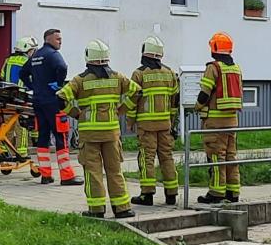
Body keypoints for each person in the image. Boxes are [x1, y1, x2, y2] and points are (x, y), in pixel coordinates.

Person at [57, 39, 140, 218]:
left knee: (93, 172)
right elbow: (137, 91)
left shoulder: (79, 80)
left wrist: (76, 114)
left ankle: (97, 209)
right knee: (115, 170)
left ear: (88, 57)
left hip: (90, 134)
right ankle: (122, 208)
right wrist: (121, 109)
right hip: (111, 133)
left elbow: (60, 98)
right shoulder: (118, 78)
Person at [20, 29, 83, 185]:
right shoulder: (53, 54)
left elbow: (22, 73)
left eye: (60, 39)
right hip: (53, 102)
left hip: (38, 101)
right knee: (61, 136)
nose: (60, 42)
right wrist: (59, 84)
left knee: (43, 137)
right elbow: (62, 67)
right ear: (48, 39)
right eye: (57, 39)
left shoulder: (36, 55)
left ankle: (46, 175)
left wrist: (33, 86)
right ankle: (67, 176)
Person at [130, 36, 180, 206]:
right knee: (167, 157)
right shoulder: (170, 73)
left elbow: (132, 99)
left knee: (147, 158)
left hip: (146, 125)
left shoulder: (139, 74)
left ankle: (147, 194)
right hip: (165, 124)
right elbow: (175, 101)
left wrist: (130, 120)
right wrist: (173, 122)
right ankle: (171, 194)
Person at [196, 32, 243, 204]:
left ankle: (216, 192)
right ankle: (233, 192)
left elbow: (204, 94)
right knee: (231, 156)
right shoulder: (236, 68)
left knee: (216, 156)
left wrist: (197, 107)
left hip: (215, 123)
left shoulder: (213, 68)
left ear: (214, 48)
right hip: (232, 121)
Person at [0, 36, 38, 156]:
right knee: (21, 128)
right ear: (27, 50)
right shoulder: (29, 62)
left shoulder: (8, 60)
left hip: (6, 99)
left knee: (7, 128)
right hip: (22, 99)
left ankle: (6, 153)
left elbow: (1, 75)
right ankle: (21, 154)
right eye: (33, 50)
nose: (33, 53)